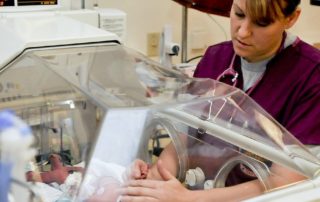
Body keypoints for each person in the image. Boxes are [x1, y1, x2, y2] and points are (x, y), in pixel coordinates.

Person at [119, 0, 320, 201]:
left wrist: (189, 199)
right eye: (239, 14)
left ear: (291, 18)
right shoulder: (215, 59)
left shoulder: (312, 76)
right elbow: (184, 142)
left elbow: (288, 181)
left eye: (262, 23)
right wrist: (153, 178)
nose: (242, 32)